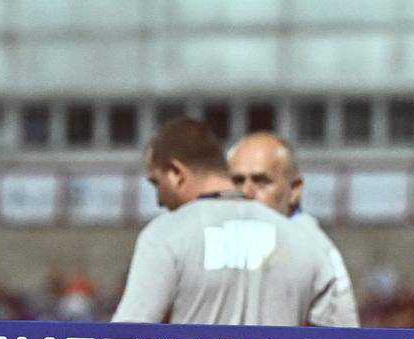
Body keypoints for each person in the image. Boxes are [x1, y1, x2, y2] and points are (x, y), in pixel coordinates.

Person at [112, 118, 354, 327]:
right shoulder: (309, 244)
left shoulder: (166, 234)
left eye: (156, 183)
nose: (158, 199)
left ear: (176, 173)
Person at [227, 131, 359, 326]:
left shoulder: (318, 249)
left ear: (294, 189)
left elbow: (346, 336)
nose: (246, 192)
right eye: (237, 181)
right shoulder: (210, 236)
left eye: (261, 181)